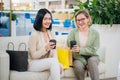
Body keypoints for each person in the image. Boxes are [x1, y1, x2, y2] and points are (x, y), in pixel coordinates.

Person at [28, 8, 63, 80]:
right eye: (45, 19)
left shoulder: (51, 33)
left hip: (47, 62)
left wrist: (58, 63)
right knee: (54, 62)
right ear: (40, 19)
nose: (48, 21)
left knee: (60, 68)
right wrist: (45, 48)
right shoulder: (34, 35)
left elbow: (54, 51)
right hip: (34, 63)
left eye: (50, 19)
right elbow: (33, 55)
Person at [67, 9, 100, 80]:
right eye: (78, 20)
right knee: (78, 65)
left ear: (88, 19)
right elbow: (70, 48)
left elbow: (94, 49)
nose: (80, 22)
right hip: (78, 57)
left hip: (92, 56)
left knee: (92, 61)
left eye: (83, 19)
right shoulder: (72, 33)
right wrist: (85, 62)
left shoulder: (95, 33)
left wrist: (80, 50)